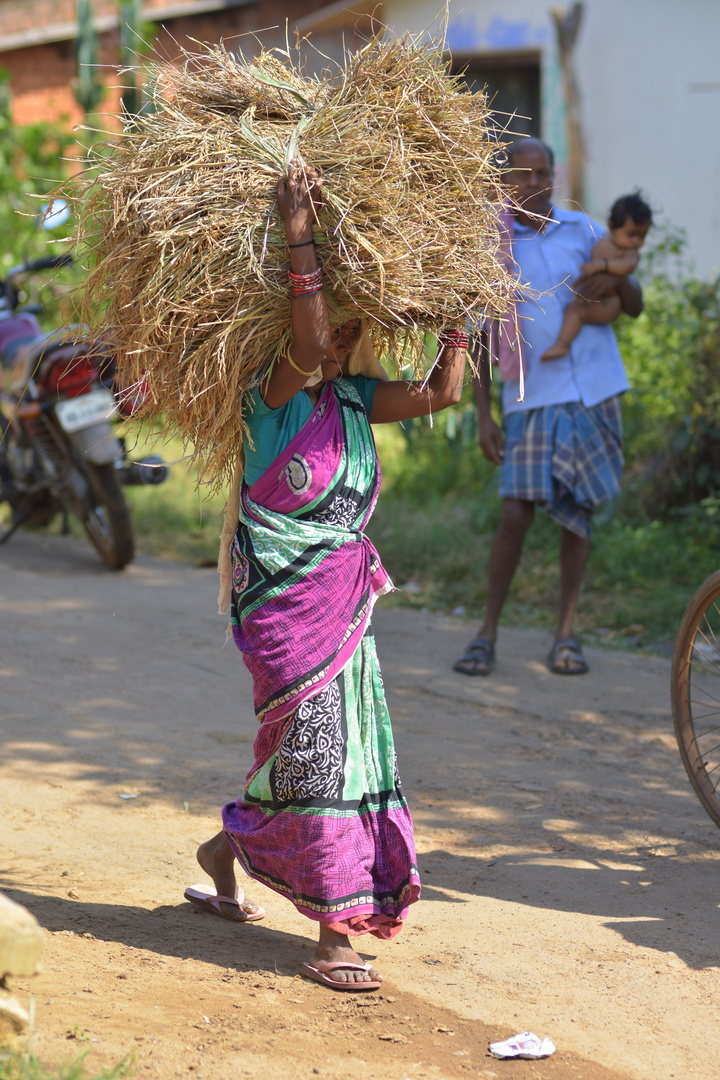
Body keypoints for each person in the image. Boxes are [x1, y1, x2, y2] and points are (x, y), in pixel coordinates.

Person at [185, 162, 467, 990]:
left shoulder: (356, 399)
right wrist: (298, 230)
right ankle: (334, 931)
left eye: (348, 326)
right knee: (317, 751)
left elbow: (445, 392)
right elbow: (305, 344)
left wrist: (458, 308)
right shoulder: (272, 394)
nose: (336, 337)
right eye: (329, 324)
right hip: (280, 604)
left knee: (334, 752)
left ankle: (226, 848)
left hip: (342, 601)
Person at [453, 138, 644, 678]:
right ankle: (486, 633)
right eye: (522, 175)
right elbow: (484, 336)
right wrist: (484, 414)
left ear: (553, 178)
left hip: (592, 389)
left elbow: (634, 304)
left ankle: (566, 632)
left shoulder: (582, 232)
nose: (533, 185)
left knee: (577, 514)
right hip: (529, 397)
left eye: (542, 175)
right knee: (515, 513)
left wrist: (619, 280)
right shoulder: (490, 248)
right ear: (504, 181)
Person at [540, 192, 652, 361]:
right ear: (612, 227)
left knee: (576, 312)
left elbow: (628, 266)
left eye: (641, 236)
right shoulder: (601, 236)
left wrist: (603, 266)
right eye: (631, 235)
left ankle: (562, 345)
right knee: (575, 309)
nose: (636, 242)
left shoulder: (629, 252)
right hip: (595, 298)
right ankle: (562, 345)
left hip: (610, 302)